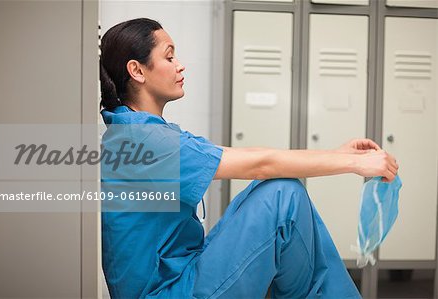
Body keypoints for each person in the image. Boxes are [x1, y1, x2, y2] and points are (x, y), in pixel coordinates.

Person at [99, 18, 398, 299]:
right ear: (137, 71)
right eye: (169, 57)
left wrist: (338, 154)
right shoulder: (143, 139)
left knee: (279, 191)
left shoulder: (140, 131)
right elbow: (260, 164)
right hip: (170, 291)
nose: (180, 66)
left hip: (180, 278)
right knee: (283, 196)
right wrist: (354, 163)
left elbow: (252, 158)